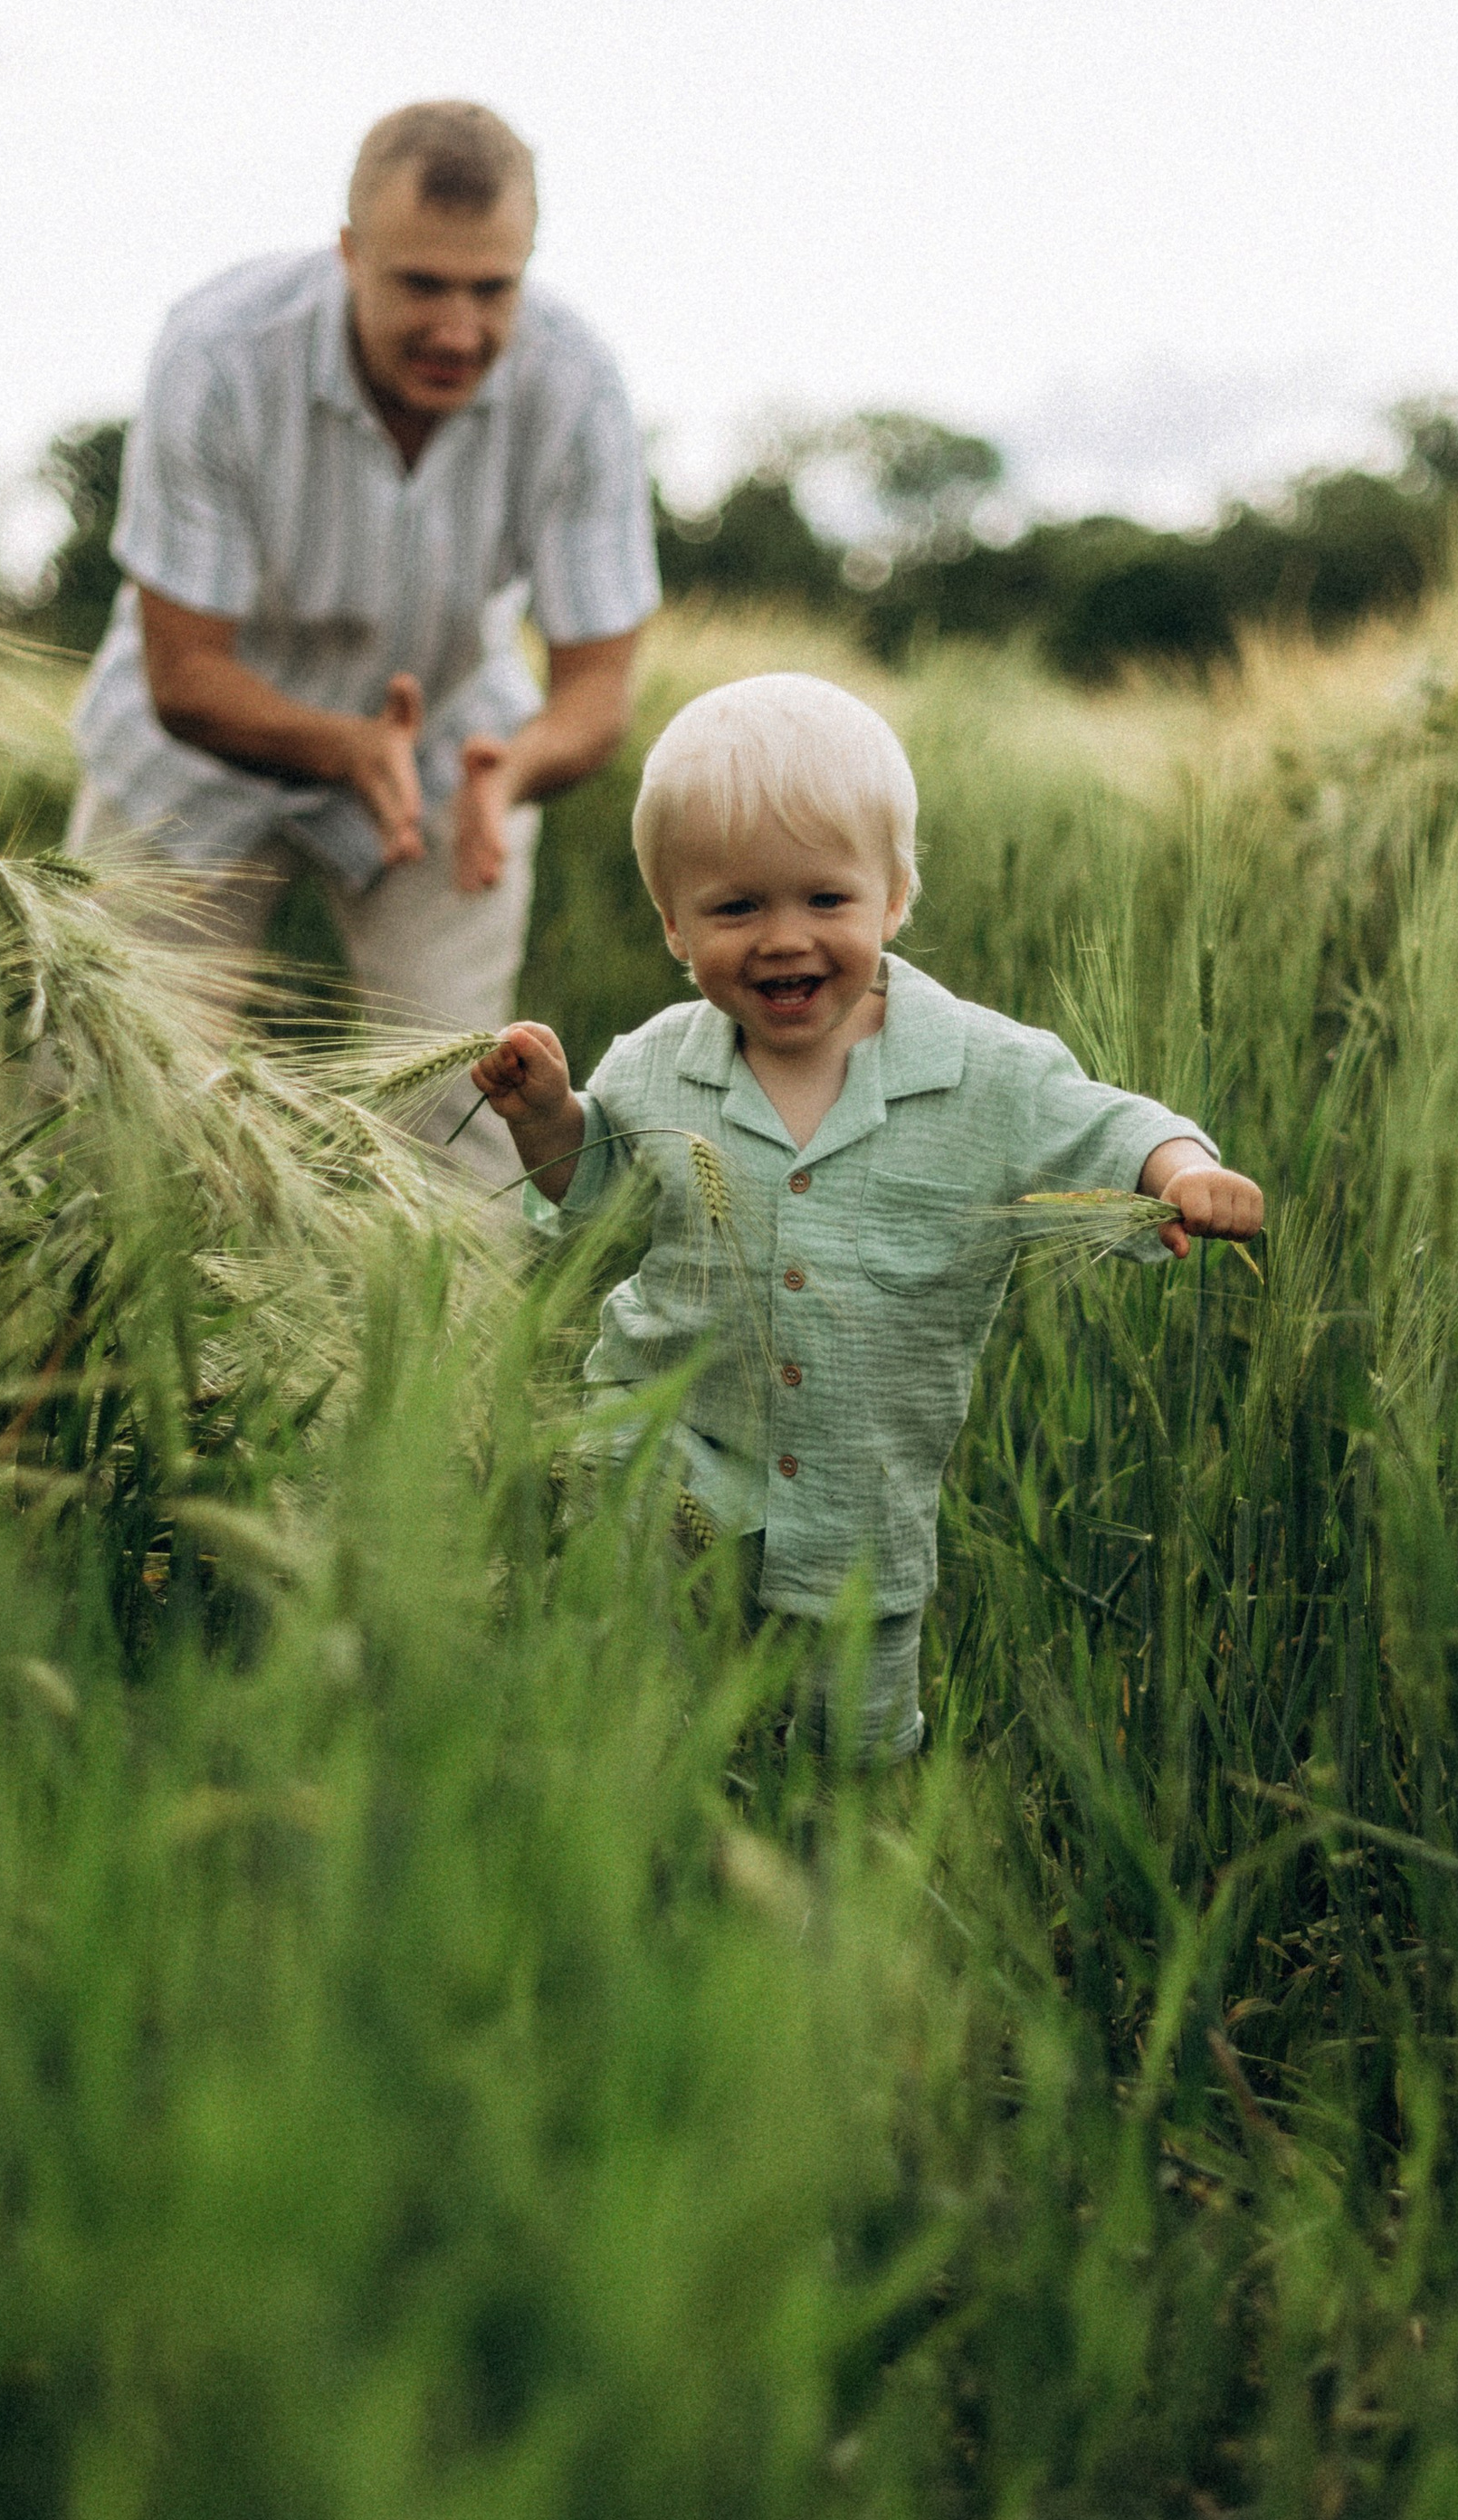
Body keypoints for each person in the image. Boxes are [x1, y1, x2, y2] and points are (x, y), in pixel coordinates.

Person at [467, 673, 1264, 1759]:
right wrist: (547, 1118)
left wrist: (1179, 1169)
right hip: (664, 1461)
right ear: (671, 924)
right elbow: (595, 1195)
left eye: (824, 900)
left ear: (893, 899)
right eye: (736, 908)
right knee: (642, 1709)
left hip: (859, 1505)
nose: (782, 938)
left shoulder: (983, 1068)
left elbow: (1102, 1124)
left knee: (850, 1754)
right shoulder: (653, 1064)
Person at [65, 99, 659, 1199]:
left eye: (493, 289)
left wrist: (513, 772)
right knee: (103, 1104)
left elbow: (596, 690)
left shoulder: (578, 384)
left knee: (459, 1108)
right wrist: (343, 746)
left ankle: (447, 1315)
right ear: (349, 254)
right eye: (422, 284)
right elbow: (183, 677)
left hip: (449, 751)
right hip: (191, 750)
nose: (459, 331)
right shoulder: (218, 351)